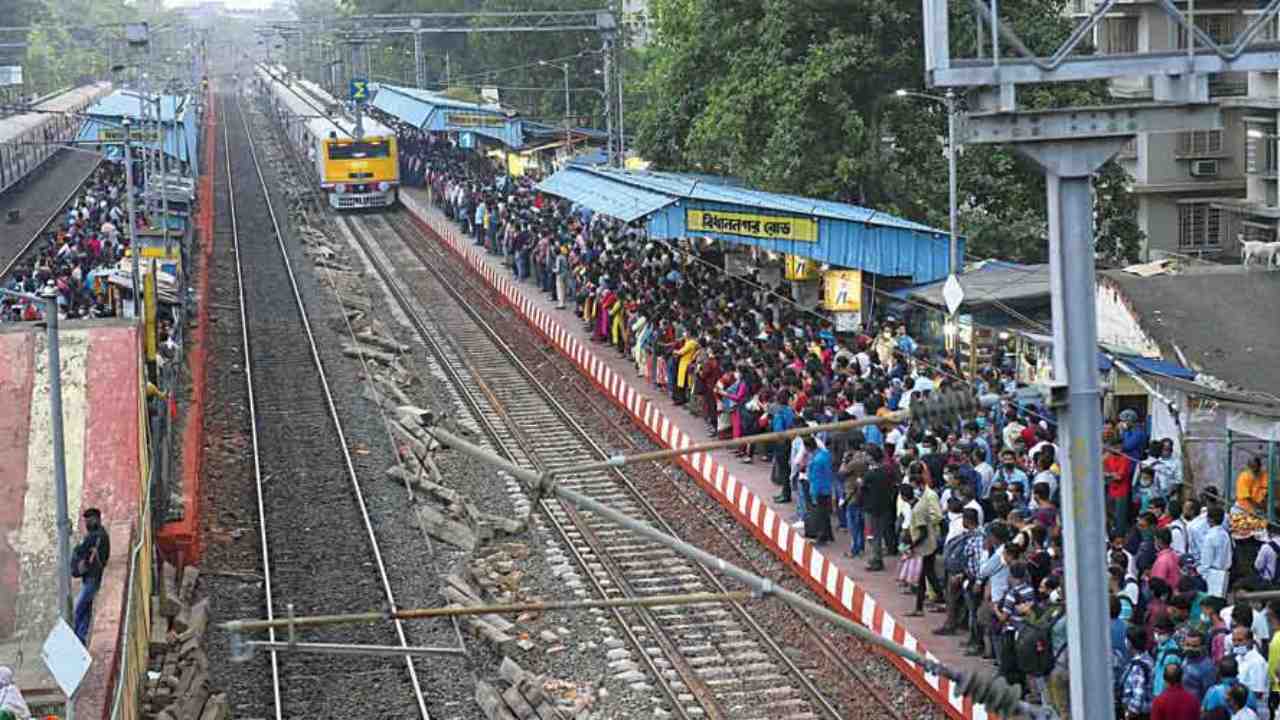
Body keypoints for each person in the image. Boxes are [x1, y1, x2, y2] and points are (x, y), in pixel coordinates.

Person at [72, 507, 110, 642]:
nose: (87, 523)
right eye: (86, 520)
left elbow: (80, 549)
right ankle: (80, 638)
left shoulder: (96, 536)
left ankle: (75, 637)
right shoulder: (98, 534)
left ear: (97, 519)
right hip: (90, 577)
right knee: (86, 610)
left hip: (92, 578)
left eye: (90, 520)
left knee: (79, 609)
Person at [805, 436, 835, 545]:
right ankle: (829, 535)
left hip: (819, 490)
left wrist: (814, 493)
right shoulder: (825, 455)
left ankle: (822, 537)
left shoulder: (816, 461)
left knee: (820, 515)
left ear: (808, 448)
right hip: (827, 488)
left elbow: (815, 478)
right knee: (825, 514)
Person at [1200, 505, 1233, 598]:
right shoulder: (1225, 535)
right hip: (1224, 573)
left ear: (1209, 519)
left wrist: (1204, 575)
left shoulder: (1209, 537)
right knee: (1221, 599)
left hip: (1212, 574)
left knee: (1212, 601)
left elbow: (1206, 560)